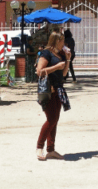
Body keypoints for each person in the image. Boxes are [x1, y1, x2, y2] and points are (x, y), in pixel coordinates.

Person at [35, 30, 71, 161]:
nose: (64, 43)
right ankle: (39, 147)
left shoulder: (60, 54)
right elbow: (39, 71)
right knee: (51, 119)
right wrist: (56, 67)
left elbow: (64, 74)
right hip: (48, 90)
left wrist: (67, 58)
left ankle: (51, 150)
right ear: (56, 40)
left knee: (55, 120)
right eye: (62, 41)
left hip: (59, 89)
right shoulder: (46, 53)